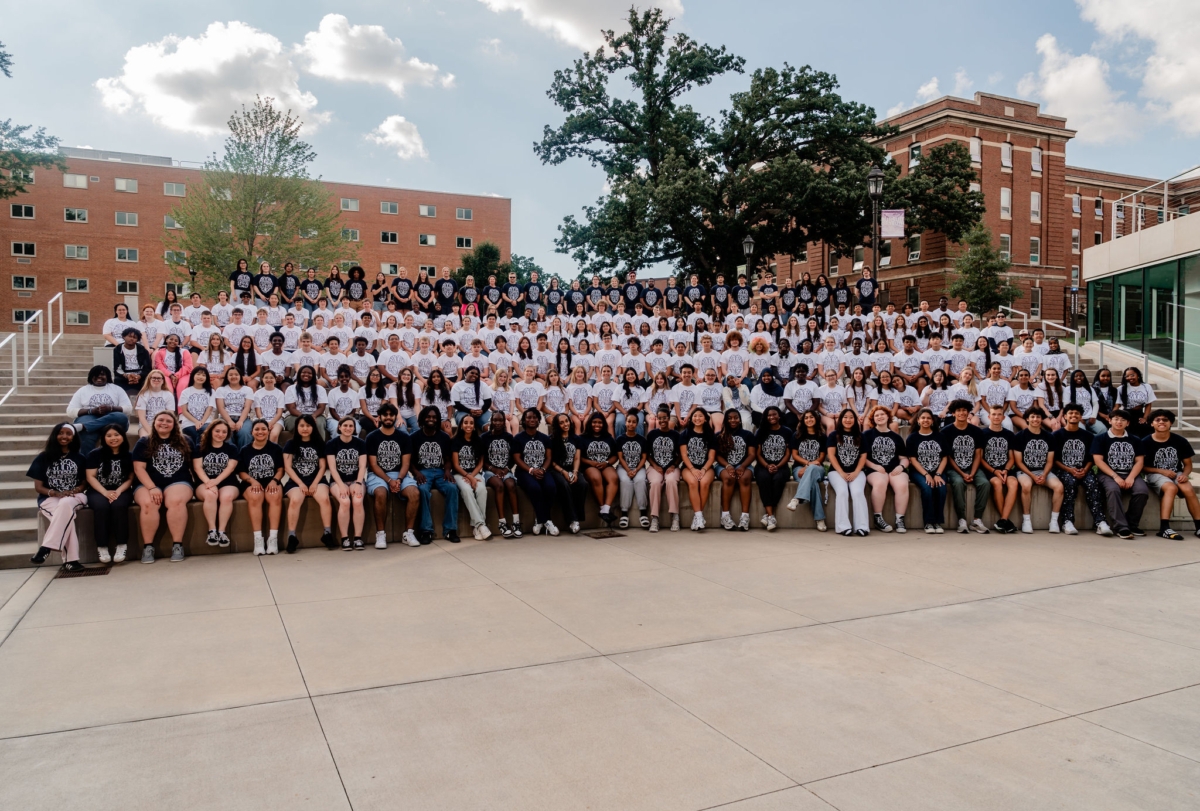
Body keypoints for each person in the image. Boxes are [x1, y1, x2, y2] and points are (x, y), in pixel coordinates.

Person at [132, 411, 194, 563]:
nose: (164, 423)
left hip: (178, 481)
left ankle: (177, 545)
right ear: (154, 422)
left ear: (174, 425)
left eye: (168, 421)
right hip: (148, 482)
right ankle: (148, 547)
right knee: (149, 503)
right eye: (160, 420)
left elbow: (194, 465)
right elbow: (139, 468)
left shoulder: (186, 440)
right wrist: (152, 487)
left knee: (175, 501)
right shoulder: (144, 442)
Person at [28, 423, 88, 572]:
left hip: (76, 496)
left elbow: (84, 483)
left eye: (68, 434)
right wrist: (55, 493)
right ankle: (71, 561)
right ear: (55, 435)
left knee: (66, 504)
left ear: (73, 438)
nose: (64, 436)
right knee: (65, 517)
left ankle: (46, 547)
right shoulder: (43, 457)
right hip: (49, 498)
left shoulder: (79, 458)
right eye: (61, 433)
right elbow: (38, 487)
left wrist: (75, 490)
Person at [365, 403, 421, 548]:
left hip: (399, 474)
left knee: (414, 493)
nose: (388, 417)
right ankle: (381, 534)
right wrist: (389, 480)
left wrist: (398, 479)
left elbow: (406, 464)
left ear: (396, 417)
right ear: (380, 417)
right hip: (378, 475)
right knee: (381, 493)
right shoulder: (372, 437)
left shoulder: (404, 437)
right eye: (385, 415)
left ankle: (408, 532)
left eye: (391, 415)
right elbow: (373, 465)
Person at [1141, 409, 1200, 540]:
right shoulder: (1145, 442)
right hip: (1154, 473)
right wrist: (1161, 471)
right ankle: (1164, 528)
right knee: (1171, 487)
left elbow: (1188, 464)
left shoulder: (1180, 441)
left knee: (1187, 488)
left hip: (1176, 473)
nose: (1161, 422)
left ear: (1171, 423)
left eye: (1165, 420)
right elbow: (1142, 467)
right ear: (1152, 424)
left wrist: (1185, 474)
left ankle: (1199, 527)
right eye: (1158, 420)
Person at [1051, 403, 1109, 537]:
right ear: (1065, 416)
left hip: (1084, 469)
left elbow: (1091, 458)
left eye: (1077, 413)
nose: (1073, 415)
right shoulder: (1056, 435)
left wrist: (1085, 470)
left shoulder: (1088, 436)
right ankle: (1067, 521)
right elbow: (1054, 460)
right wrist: (1069, 470)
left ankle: (1100, 522)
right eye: (1070, 413)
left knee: (1093, 484)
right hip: (1063, 470)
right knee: (1069, 483)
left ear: (1081, 416)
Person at [1092, 410, 1149, 540]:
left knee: (1142, 491)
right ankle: (1121, 527)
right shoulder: (1100, 438)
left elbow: (1139, 461)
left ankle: (1132, 524)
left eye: (1123, 420)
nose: (1119, 422)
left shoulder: (1135, 439)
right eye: (1116, 419)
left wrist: (1131, 477)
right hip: (1108, 474)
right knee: (1113, 490)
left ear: (1128, 423)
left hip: (1130, 473)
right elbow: (1098, 461)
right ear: (1109, 420)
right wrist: (1115, 476)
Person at [85, 424, 134, 564]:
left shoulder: (129, 455)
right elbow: (91, 477)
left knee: (119, 506)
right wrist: (105, 492)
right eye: (109, 435)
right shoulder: (95, 454)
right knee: (101, 507)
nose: (113, 438)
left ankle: (121, 545)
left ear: (123, 437)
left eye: (116, 435)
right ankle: (102, 546)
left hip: (122, 490)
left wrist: (118, 491)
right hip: (98, 490)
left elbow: (130, 478)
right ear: (104, 438)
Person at [411, 405, 460, 543]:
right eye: (428, 417)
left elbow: (448, 459)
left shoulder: (443, 437)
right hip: (423, 472)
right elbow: (409, 462)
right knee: (422, 490)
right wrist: (417, 473)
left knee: (452, 488)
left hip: (440, 472)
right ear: (423, 418)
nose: (431, 419)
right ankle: (426, 530)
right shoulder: (414, 437)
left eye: (434, 417)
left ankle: (450, 530)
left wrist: (447, 471)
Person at [941, 399, 992, 534]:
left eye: (964, 410)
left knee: (985, 483)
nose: (962, 413)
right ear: (953, 413)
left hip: (972, 467)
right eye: (958, 410)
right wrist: (962, 474)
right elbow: (948, 457)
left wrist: (972, 473)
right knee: (958, 483)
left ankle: (977, 520)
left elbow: (978, 455)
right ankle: (961, 520)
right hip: (954, 468)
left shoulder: (976, 431)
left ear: (969, 412)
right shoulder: (946, 432)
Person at [1012, 406, 1064, 534]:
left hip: (1043, 471)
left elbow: (1050, 461)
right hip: (1025, 471)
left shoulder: (1049, 437)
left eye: (1038, 417)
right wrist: (1032, 475)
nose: (1035, 419)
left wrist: (1044, 474)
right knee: (1026, 485)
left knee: (1059, 487)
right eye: (1033, 417)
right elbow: (1018, 462)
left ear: (1041, 419)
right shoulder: (1019, 436)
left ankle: (1054, 521)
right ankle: (1026, 520)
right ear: (1027, 419)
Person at [238, 419, 286, 554]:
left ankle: (273, 538)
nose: (260, 432)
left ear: (269, 430)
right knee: (255, 496)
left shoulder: (276, 448)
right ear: (252, 432)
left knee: (274, 495)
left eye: (263, 429)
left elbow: (281, 469)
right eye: (257, 429)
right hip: (251, 482)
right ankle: (258, 539)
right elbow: (241, 472)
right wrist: (252, 481)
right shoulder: (245, 449)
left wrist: (274, 480)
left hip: (271, 480)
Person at [861, 404, 908, 533]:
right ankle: (878, 518)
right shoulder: (867, 435)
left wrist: (901, 466)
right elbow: (861, 457)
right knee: (881, 482)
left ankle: (900, 519)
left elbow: (904, 457)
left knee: (903, 485)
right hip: (874, 469)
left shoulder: (896, 437)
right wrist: (874, 466)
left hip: (894, 469)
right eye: (876, 415)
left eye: (882, 414)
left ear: (888, 416)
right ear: (873, 419)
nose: (880, 417)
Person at [192, 420, 239, 548]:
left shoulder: (232, 448)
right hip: (204, 482)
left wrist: (216, 481)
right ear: (211, 431)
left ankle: (222, 532)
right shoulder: (199, 447)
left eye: (224, 432)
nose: (220, 434)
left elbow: (230, 468)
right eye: (217, 431)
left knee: (226, 497)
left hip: (228, 482)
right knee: (211, 495)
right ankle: (212, 531)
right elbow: (198, 468)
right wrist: (209, 482)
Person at [67, 366, 133, 453]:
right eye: (95, 375)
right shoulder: (83, 390)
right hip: (90, 416)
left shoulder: (117, 389)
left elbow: (128, 408)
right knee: (87, 436)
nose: (99, 377)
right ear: (91, 377)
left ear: (108, 376)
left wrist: (110, 408)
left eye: (102, 374)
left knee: (121, 417)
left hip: (110, 418)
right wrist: (92, 410)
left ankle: (84, 426)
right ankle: (89, 464)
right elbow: (70, 411)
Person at [326, 416, 369, 550]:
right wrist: (340, 484)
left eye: (351, 426)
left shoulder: (360, 443)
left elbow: (362, 466)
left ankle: (357, 538)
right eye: (345, 426)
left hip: (356, 480)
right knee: (345, 502)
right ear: (339, 427)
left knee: (357, 501)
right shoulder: (332, 444)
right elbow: (332, 468)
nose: (348, 428)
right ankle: (345, 538)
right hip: (338, 482)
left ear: (354, 428)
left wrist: (358, 483)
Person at [827, 408, 870, 536]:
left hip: (856, 472)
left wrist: (856, 472)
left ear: (855, 420)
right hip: (836, 472)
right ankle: (843, 526)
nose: (848, 420)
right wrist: (841, 472)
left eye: (851, 417)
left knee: (857, 492)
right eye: (845, 417)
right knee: (842, 492)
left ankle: (862, 527)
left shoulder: (860, 435)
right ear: (840, 420)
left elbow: (863, 456)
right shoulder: (833, 435)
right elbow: (831, 456)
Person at [905, 407, 948, 533]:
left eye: (929, 418)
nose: (926, 420)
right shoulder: (912, 438)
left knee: (941, 488)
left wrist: (938, 474)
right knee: (927, 487)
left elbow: (944, 458)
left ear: (933, 421)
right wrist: (926, 474)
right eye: (923, 418)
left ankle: (938, 522)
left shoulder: (940, 436)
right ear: (918, 420)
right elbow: (912, 459)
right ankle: (929, 522)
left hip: (938, 471)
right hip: (918, 472)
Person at [980, 404, 1020, 534]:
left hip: (1006, 469)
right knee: (997, 483)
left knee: (1013, 483)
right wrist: (994, 471)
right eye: (994, 414)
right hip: (989, 469)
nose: (996, 417)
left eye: (999, 415)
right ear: (989, 416)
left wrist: (1006, 470)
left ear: (1003, 417)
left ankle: (1003, 519)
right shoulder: (983, 433)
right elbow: (980, 458)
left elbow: (1012, 458)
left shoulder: (1009, 434)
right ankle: (1006, 522)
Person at [451, 413, 492, 540]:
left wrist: (473, 476)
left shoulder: (478, 441)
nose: (468, 425)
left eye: (471, 423)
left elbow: (480, 463)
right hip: (460, 474)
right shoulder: (455, 441)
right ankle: (481, 525)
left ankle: (477, 527)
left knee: (481, 490)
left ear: (474, 426)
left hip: (475, 473)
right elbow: (456, 465)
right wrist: (469, 477)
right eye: (466, 423)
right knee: (467, 490)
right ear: (461, 425)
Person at [482, 411, 522, 538]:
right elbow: (481, 460)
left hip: (505, 470)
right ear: (491, 421)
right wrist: (493, 469)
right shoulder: (484, 437)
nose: (498, 423)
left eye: (500, 420)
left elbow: (512, 458)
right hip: (489, 471)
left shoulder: (509, 437)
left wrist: (506, 469)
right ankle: (502, 523)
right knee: (499, 485)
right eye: (495, 420)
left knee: (510, 484)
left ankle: (516, 522)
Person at [786, 409, 828, 531]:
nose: (809, 419)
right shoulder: (797, 434)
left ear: (816, 419)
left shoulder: (821, 436)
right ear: (803, 420)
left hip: (817, 468)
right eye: (806, 418)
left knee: (812, 470)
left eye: (811, 417)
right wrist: (807, 464)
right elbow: (795, 455)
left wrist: (809, 467)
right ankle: (820, 519)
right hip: (799, 468)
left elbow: (821, 456)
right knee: (813, 484)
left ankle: (797, 499)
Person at [754, 406, 793, 531]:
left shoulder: (787, 431)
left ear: (779, 415)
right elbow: (758, 453)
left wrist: (777, 466)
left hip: (781, 466)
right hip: (763, 465)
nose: (771, 417)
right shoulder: (761, 431)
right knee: (764, 478)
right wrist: (767, 465)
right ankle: (771, 515)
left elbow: (788, 453)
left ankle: (768, 516)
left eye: (774, 414)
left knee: (778, 478)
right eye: (769, 415)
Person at [677, 408, 717, 531]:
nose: (697, 418)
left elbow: (711, 457)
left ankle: (697, 516)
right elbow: (684, 455)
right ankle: (699, 516)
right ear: (691, 418)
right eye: (695, 416)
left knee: (704, 482)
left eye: (700, 416)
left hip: (706, 467)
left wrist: (704, 469)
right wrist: (693, 469)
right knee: (693, 483)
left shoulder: (711, 435)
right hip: (689, 467)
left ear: (705, 419)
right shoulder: (685, 434)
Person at [716, 408, 756, 530]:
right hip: (723, 465)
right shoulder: (719, 435)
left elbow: (752, 454)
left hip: (744, 464)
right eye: (730, 418)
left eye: (736, 418)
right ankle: (725, 515)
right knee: (729, 478)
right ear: (725, 420)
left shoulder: (747, 434)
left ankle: (745, 517)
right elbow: (716, 455)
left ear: (740, 420)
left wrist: (743, 466)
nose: (733, 420)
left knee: (744, 478)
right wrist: (728, 466)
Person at [579, 411, 619, 526]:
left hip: (605, 464)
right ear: (590, 423)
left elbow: (615, 455)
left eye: (600, 422)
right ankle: (602, 507)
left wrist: (607, 463)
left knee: (613, 478)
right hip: (588, 465)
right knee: (596, 477)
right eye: (594, 422)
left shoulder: (608, 438)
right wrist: (590, 462)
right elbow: (579, 457)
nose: (597, 425)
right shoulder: (582, 438)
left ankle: (605, 510)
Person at [645, 408, 681, 532]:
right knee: (655, 483)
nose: (662, 420)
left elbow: (680, 455)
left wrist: (674, 465)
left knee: (671, 481)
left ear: (668, 418)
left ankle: (675, 516)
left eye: (664, 418)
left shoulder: (675, 435)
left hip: (672, 467)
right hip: (655, 467)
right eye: (659, 418)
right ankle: (654, 518)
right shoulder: (652, 434)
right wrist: (655, 465)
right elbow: (647, 454)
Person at [614, 411, 650, 529]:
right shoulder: (620, 439)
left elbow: (644, 458)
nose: (631, 424)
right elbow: (620, 457)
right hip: (623, 467)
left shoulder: (642, 439)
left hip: (638, 467)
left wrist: (635, 470)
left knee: (640, 481)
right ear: (625, 423)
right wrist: (628, 470)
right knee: (625, 481)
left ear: (637, 424)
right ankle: (624, 513)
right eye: (629, 421)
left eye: (634, 422)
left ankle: (643, 513)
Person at [113, 328, 152, 397]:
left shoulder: (142, 350)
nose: (132, 339)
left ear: (137, 340)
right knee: (117, 380)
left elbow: (147, 368)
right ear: (124, 336)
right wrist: (127, 376)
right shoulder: (117, 350)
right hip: (124, 375)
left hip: (139, 375)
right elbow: (116, 368)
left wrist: (139, 376)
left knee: (147, 380)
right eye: (129, 336)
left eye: (135, 337)